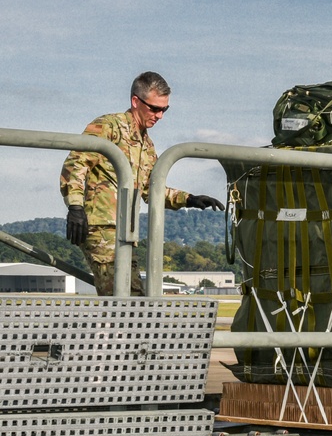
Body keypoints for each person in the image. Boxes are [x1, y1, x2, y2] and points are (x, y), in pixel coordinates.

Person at [61, 71, 224, 296]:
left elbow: (150, 189)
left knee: (132, 299)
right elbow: (76, 163)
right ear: (136, 101)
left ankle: (110, 331)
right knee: (125, 299)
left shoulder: (146, 145)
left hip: (126, 231)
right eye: (155, 108)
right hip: (102, 227)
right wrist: (76, 207)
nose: (160, 116)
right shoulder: (109, 126)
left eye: (164, 110)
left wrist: (188, 199)